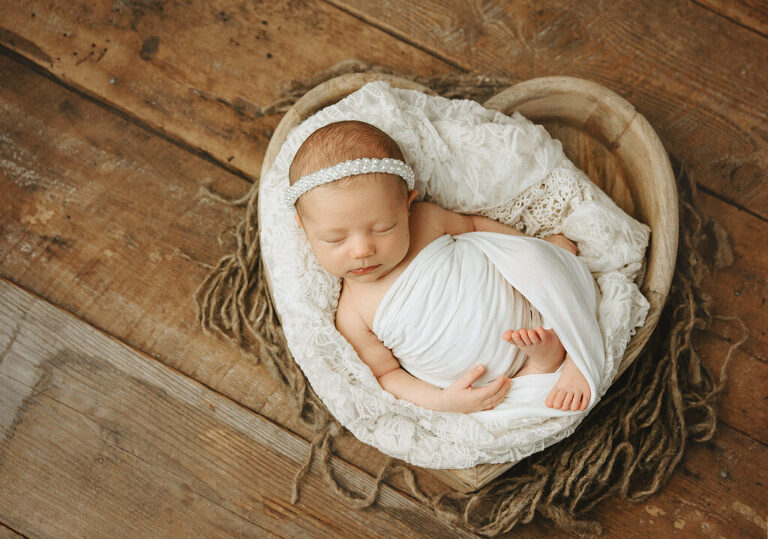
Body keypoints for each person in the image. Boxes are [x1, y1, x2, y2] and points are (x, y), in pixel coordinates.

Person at [285, 120, 596, 414]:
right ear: (304, 228)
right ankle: (542, 366)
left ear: (407, 206)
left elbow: (475, 226)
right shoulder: (351, 314)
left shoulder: (425, 221)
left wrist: (533, 250)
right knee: (506, 402)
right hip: (481, 384)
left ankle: (569, 349)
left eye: (382, 228)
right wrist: (443, 401)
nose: (362, 250)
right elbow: (387, 374)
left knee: (541, 265)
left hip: (526, 304)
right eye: (334, 239)